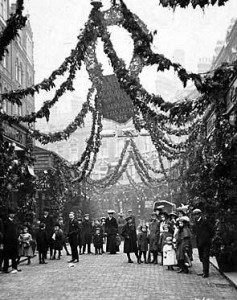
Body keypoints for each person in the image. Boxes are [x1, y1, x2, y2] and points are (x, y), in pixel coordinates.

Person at [192, 208, 214, 278]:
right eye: (195, 215)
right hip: (199, 242)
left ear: (200, 214)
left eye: (197, 214)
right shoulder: (195, 223)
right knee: (201, 257)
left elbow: (212, 230)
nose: (196, 216)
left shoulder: (205, 221)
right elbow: (195, 232)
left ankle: (206, 272)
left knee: (205, 257)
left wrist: (208, 238)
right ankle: (204, 270)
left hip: (206, 243)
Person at [3, 208, 21, 274]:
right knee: (6, 255)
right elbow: (4, 232)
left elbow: (17, 231)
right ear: (8, 214)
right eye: (11, 214)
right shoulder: (5, 222)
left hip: (14, 241)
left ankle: (14, 267)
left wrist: (18, 237)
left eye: (13, 214)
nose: (12, 215)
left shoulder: (15, 222)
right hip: (7, 241)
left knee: (14, 255)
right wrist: (3, 242)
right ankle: (5, 269)